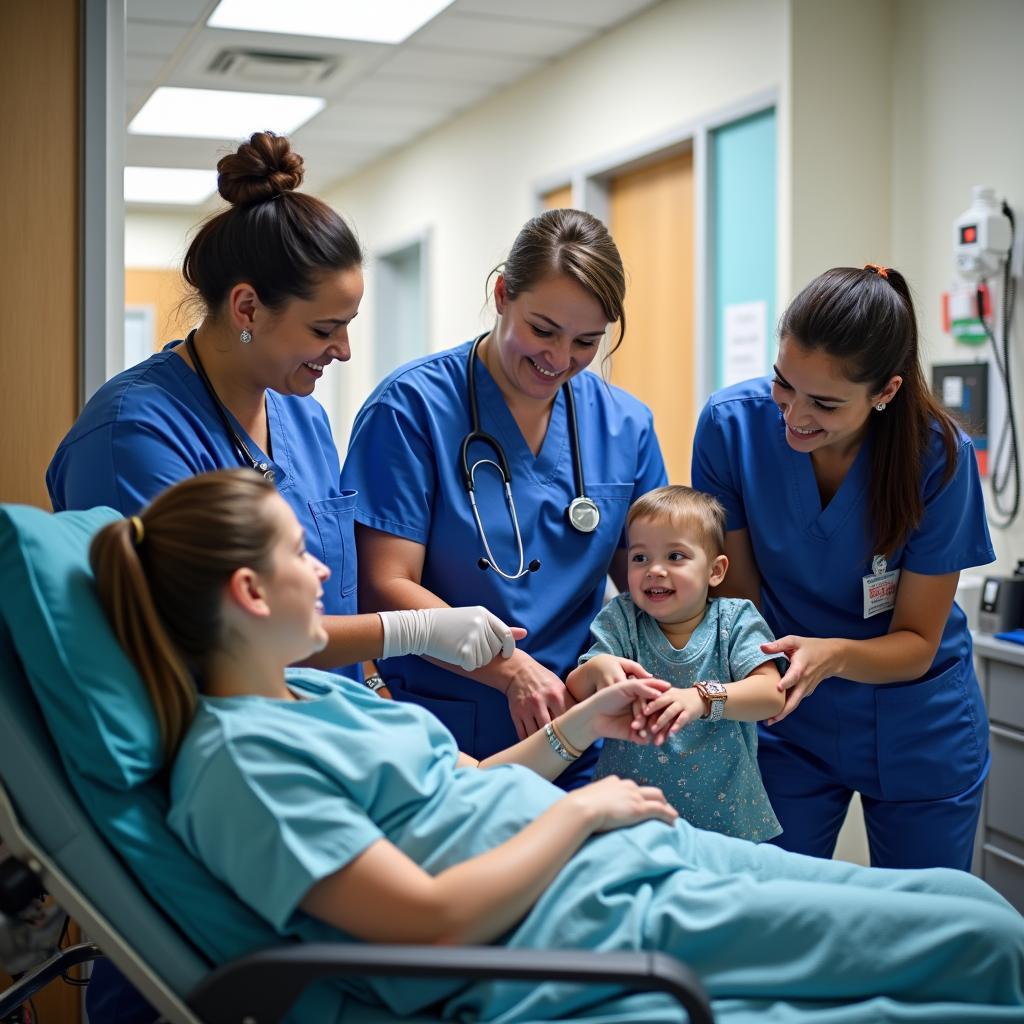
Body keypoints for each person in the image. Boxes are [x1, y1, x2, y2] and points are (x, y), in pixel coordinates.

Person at [87, 469, 1024, 1024]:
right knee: (978, 943)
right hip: (580, 921)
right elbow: (430, 921)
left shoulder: (317, 698)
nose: (326, 570)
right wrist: (582, 809)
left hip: (628, 859)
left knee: (965, 905)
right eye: (302, 554)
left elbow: (461, 792)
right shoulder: (239, 765)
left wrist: (580, 730)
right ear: (251, 595)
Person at [44, 130, 519, 1023]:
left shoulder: (297, 420)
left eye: (349, 328)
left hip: (319, 750)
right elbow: (189, 634)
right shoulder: (133, 437)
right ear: (248, 306)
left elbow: (319, 595)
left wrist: (374, 687)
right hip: (224, 786)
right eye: (325, 329)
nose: (342, 353)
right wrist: (412, 629)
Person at [341, 209, 668, 788]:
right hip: (443, 730)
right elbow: (382, 583)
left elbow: (655, 581)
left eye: (586, 341)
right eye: (542, 330)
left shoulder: (625, 426)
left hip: (580, 724)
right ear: (501, 294)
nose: (560, 359)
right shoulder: (411, 409)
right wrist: (512, 670)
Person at [691, 264, 995, 871]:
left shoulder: (937, 458)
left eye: (825, 403)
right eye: (784, 384)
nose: (794, 416)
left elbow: (915, 642)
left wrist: (832, 655)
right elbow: (741, 605)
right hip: (788, 710)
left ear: (885, 392)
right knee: (775, 912)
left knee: (922, 931)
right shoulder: (731, 428)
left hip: (917, 721)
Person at [566, 485, 784, 842]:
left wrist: (701, 699)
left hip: (726, 818)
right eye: (639, 558)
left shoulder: (735, 620)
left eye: (675, 557)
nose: (654, 570)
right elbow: (577, 691)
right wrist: (596, 670)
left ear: (715, 571)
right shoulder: (621, 619)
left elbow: (770, 694)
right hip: (631, 819)